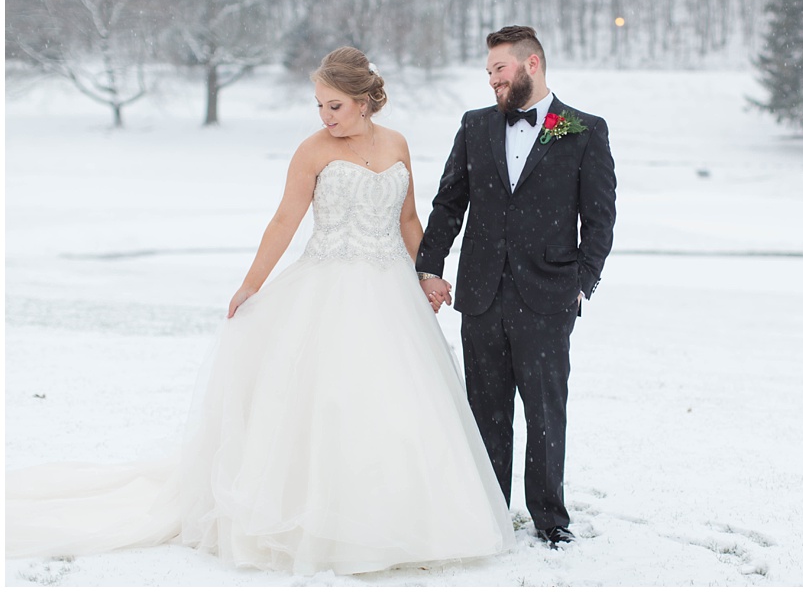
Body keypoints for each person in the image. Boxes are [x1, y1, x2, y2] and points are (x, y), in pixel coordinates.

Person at [6, 47, 515, 576]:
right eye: (319, 105)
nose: (325, 116)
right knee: (330, 402)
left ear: (365, 102)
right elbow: (283, 222)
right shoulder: (312, 150)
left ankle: (411, 520)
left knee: (401, 401)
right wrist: (250, 285)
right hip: (327, 289)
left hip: (391, 293)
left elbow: (410, 219)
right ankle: (323, 522)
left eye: (334, 106)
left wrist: (426, 274)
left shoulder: (397, 145)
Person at [416, 26, 617, 548]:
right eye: (488, 73)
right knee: (486, 409)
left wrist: (581, 283)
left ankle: (551, 519)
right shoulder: (475, 125)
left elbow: (599, 219)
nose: (492, 82)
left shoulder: (584, 130)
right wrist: (429, 265)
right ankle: (488, 511)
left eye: (499, 70)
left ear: (531, 65)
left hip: (549, 295)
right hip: (480, 293)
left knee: (546, 409)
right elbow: (447, 203)